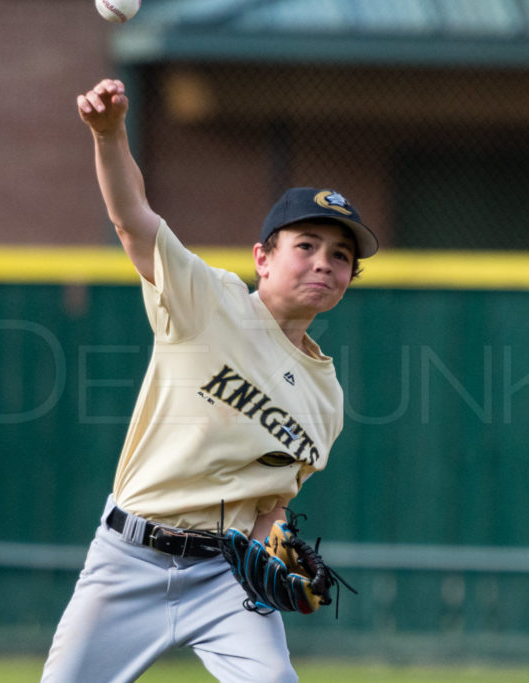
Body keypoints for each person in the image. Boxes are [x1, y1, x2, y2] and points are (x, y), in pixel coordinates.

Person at [40, 78, 378, 683]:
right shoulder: (209, 302)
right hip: (128, 559)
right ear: (263, 258)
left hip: (222, 576)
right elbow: (133, 222)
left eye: (341, 255)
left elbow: (270, 502)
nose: (325, 262)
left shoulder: (327, 397)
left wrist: (275, 543)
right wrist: (110, 134)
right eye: (307, 245)